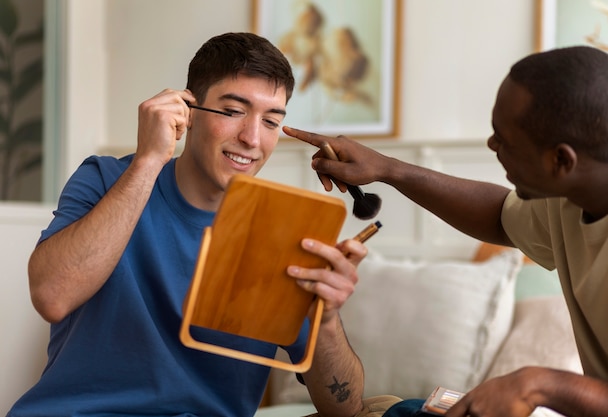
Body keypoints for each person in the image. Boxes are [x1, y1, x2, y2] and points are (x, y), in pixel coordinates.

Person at [7, 32, 381, 417]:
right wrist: (149, 161)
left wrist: (327, 321)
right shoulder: (103, 179)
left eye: (271, 121)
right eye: (234, 111)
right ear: (188, 109)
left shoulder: (280, 232)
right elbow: (52, 296)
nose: (253, 139)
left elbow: (345, 408)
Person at [282, 45, 608, 417]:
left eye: (503, 140)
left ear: (561, 159)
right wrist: (389, 169)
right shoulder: (568, 197)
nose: (491, 145)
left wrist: (537, 384)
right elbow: (499, 216)